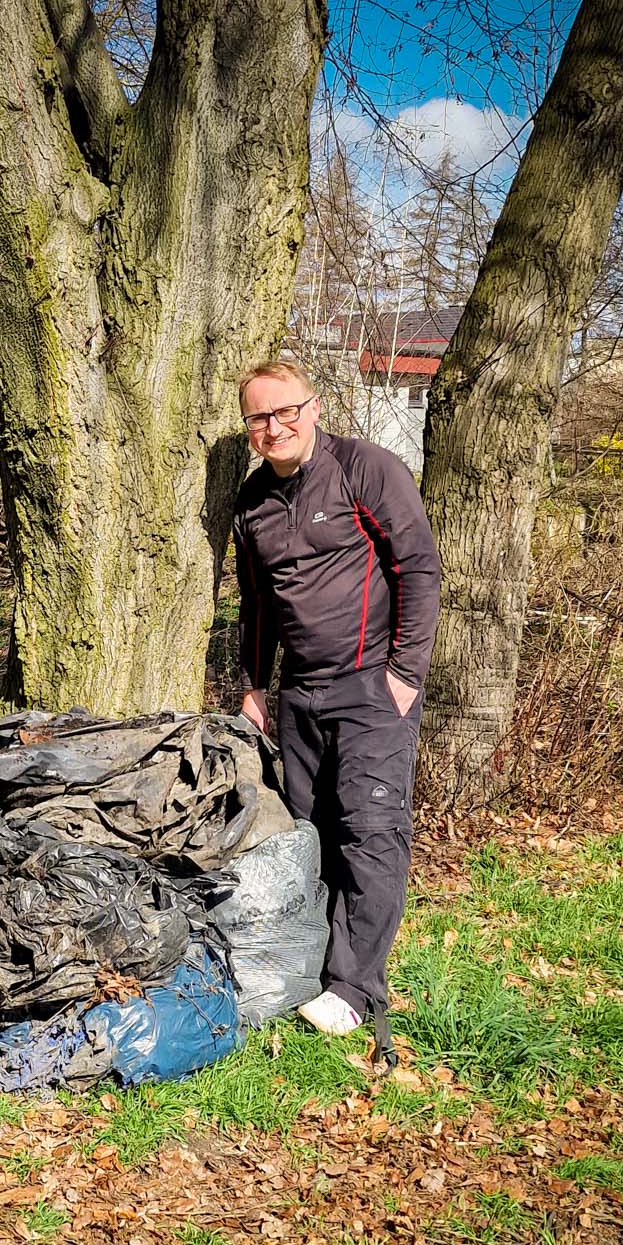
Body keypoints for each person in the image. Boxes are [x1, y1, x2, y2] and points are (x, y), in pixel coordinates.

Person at [233, 359, 442, 1040]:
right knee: (309, 833)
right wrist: (254, 684)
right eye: (259, 417)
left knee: (371, 833)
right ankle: (314, 966)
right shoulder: (253, 502)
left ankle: (356, 989)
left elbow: (417, 566)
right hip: (300, 696)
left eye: (286, 410)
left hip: (371, 687)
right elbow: (257, 604)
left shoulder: (366, 470)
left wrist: (405, 672)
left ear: (314, 408)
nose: (275, 426)